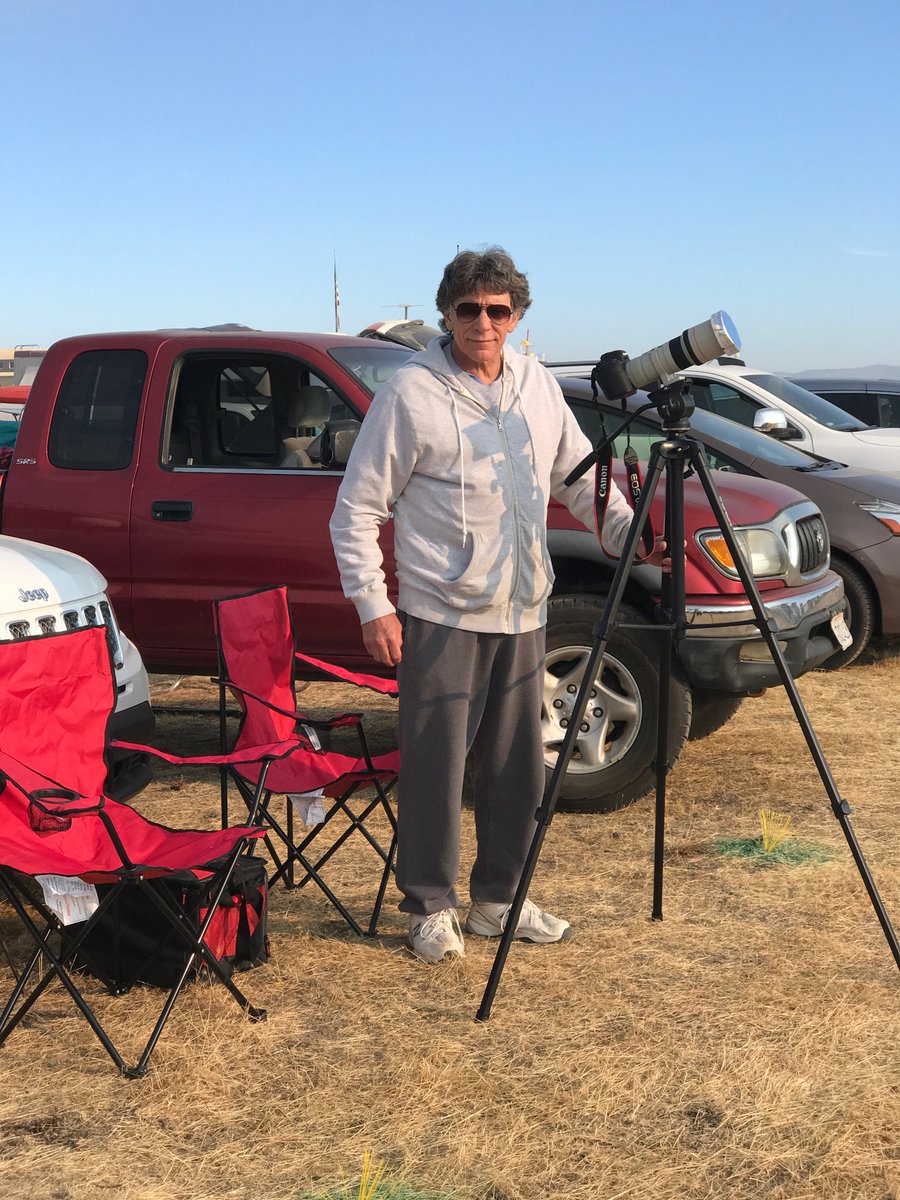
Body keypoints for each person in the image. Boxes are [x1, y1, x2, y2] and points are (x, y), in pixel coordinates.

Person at [330, 247, 660, 963]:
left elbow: (580, 477)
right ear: (447, 313)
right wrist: (372, 605)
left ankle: (499, 900)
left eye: (498, 310)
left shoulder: (536, 384)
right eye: (468, 309)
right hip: (442, 610)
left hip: (523, 607)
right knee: (435, 765)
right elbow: (355, 509)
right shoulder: (411, 393)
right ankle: (428, 905)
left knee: (519, 766)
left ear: (516, 317)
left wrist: (624, 529)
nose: (483, 322)